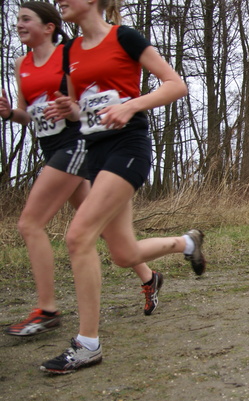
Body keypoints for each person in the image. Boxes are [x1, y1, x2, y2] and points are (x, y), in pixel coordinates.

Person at [38, 0, 205, 374]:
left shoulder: (125, 37)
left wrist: (132, 106)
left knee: (78, 236)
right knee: (123, 253)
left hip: (128, 147)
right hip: (95, 152)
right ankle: (187, 243)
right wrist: (69, 110)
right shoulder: (68, 52)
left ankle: (88, 344)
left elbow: (177, 85)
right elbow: (83, 110)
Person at [0, 2, 164, 340]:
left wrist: (124, 106)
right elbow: (30, 115)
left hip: (76, 146)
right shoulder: (24, 64)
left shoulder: (72, 51)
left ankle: (50, 312)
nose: (18, 25)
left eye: (25, 19)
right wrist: (9, 115)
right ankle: (150, 275)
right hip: (64, 148)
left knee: (36, 224)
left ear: (48, 27)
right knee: (105, 236)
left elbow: (94, 98)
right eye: (16, 20)